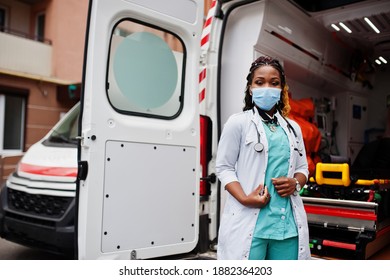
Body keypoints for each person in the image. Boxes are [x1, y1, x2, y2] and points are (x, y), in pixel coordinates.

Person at [216, 56, 310, 260]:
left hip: (287, 227)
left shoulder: (293, 128)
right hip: (251, 224)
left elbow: (303, 168)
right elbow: (224, 167)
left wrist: (295, 183)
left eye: (274, 83)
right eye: (260, 82)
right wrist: (244, 198)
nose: (267, 87)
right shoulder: (238, 123)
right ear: (250, 88)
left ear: (281, 89)